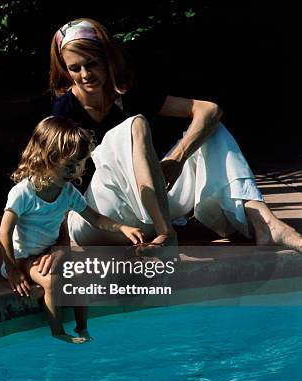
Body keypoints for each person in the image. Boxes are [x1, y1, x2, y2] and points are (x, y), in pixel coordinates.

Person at [49, 18, 302, 253]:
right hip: (97, 221)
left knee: (212, 131)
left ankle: (266, 223)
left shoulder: (127, 94)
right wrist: (53, 243)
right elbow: (50, 177)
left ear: (107, 59)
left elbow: (209, 110)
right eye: (75, 68)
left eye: (92, 63)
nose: (85, 74)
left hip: (146, 217)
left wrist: (177, 160)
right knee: (133, 126)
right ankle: (165, 232)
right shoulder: (63, 112)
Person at [0, 116, 144, 343]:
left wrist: (122, 227)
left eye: (80, 163)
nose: (75, 170)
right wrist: (13, 270)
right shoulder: (24, 193)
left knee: (81, 277)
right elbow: (4, 232)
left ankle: (82, 327)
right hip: (22, 259)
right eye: (69, 165)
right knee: (53, 282)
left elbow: (94, 218)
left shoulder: (67, 193)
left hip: (47, 254)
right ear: (47, 158)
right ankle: (58, 332)